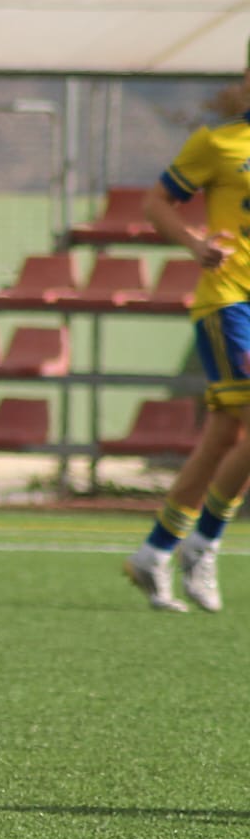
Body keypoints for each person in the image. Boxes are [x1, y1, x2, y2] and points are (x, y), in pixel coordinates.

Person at [121, 46, 250, 613]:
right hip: (230, 303)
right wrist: (195, 244)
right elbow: (157, 202)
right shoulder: (219, 144)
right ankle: (204, 543)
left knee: (225, 436)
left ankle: (156, 552)